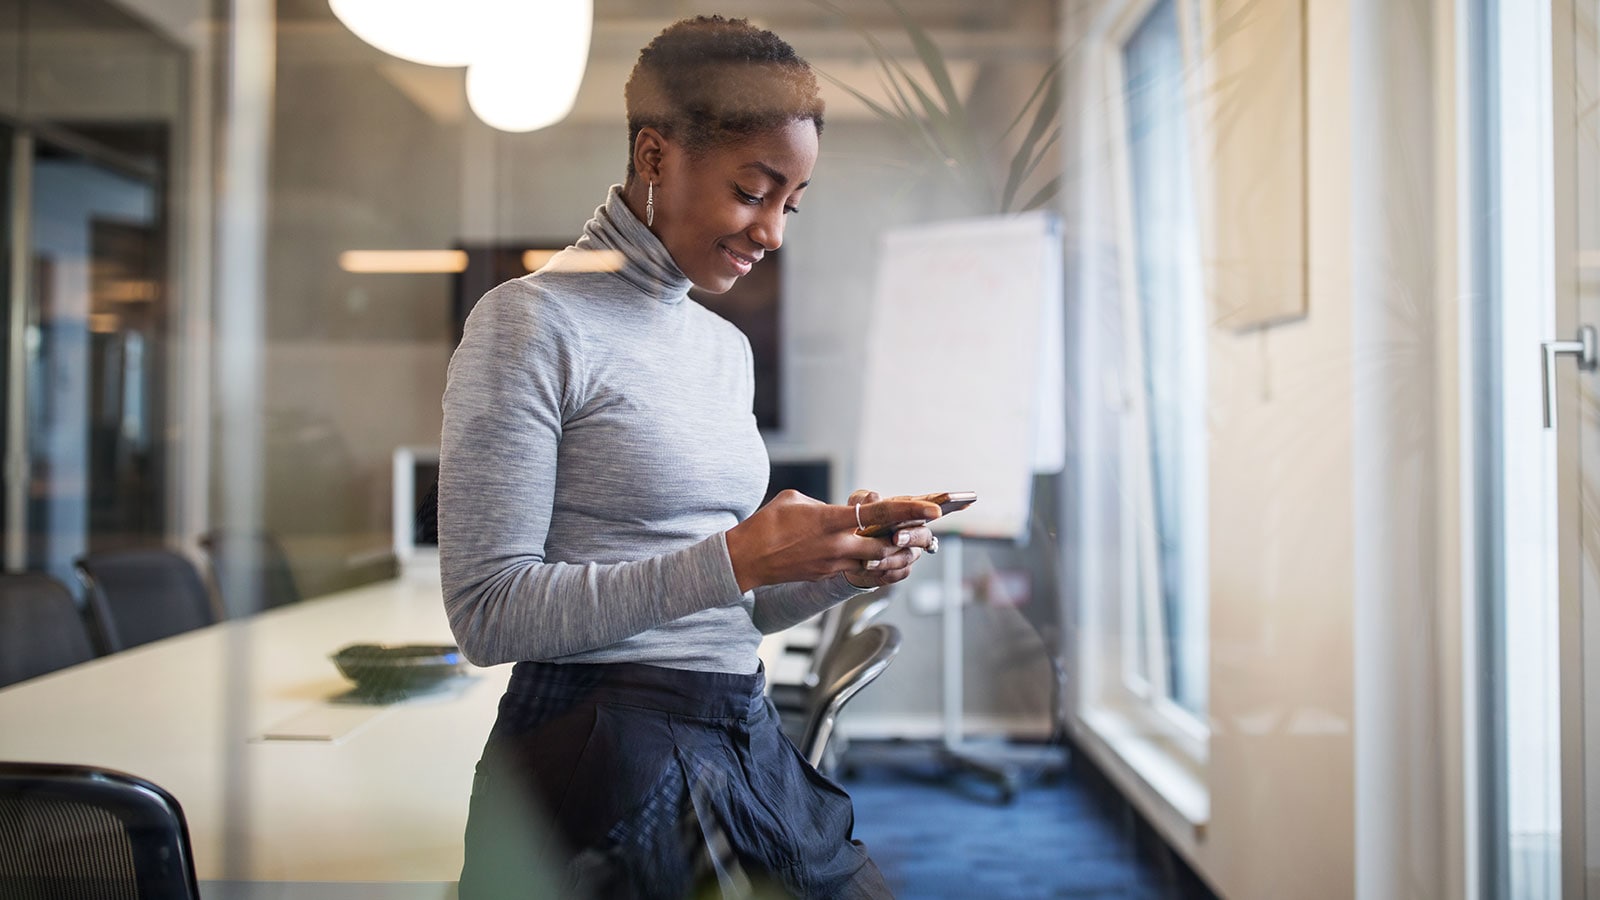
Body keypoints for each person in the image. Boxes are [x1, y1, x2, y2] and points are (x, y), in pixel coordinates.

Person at [439, 15, 940, 900]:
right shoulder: (528, 322)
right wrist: (742, 554)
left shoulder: (722, 348)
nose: (774, 232)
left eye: (790, 203)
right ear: (655, 156)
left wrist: (833, 568)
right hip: (600, 743)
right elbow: (489, 616)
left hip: (733, 724)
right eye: (754, 191)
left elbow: (724, 616)